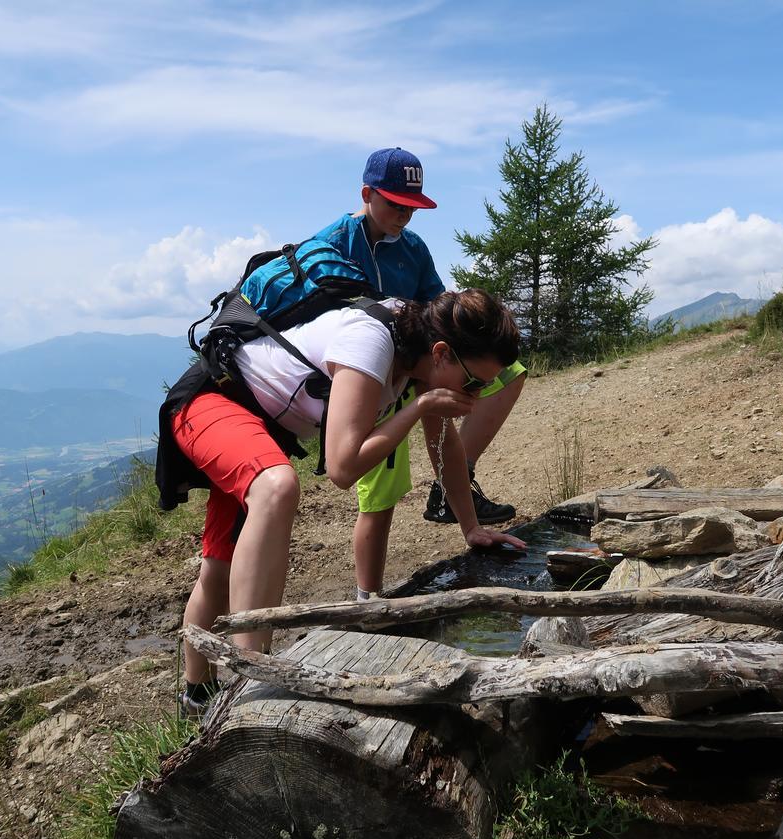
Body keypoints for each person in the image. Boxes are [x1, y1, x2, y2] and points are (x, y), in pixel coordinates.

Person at [161, 289, 527, 716]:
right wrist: (417, 408)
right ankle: (253, 685)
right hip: (210, 403)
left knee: (221, 567)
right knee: (277, 488)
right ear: (443, 353)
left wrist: (470, 527)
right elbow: (342, 466)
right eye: (474, 382)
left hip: (256, 424)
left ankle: (196, 694)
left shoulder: (421, 355)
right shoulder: (370, 342)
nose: (478, 395)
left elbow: (443, 446)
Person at [313, 147, 527, 597]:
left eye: (413, 207)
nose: (405, 216)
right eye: (395, 204)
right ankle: (367, 598)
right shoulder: (334, 243)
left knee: (467, 411)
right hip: (368, 377)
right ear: (367, 194)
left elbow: (435, 306)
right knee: (382, 492)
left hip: (422, 361)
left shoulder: (413, 248)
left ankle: (459, 503)